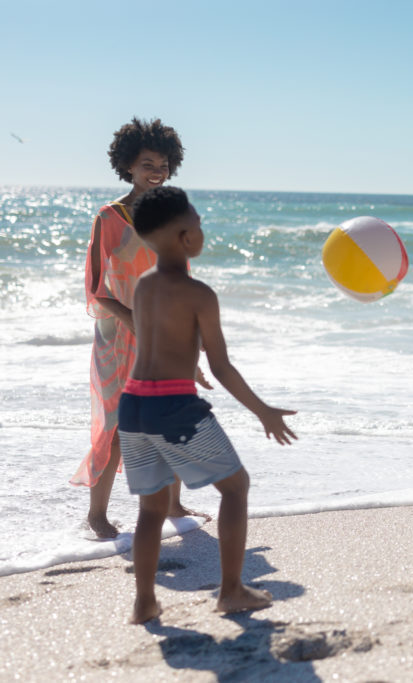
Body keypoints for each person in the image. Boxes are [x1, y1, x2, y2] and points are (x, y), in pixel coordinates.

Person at [120, 186, 296, 623]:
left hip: (133, 405)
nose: (202, 230)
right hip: (174, 409)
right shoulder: (200, 294)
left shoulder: (143, 286)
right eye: (198, 224)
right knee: (235, 487)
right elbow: (221, 366)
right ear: (184, 237)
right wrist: (263, 411)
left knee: (151, 509)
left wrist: (185, 367)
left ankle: (144, 602)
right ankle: (232, 590)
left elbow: (155, 345)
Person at [71, 118, 208, 538]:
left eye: (163, 164)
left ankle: (174, 504)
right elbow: (96, 290)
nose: (157, 171)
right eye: (148, 163)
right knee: (114, 429)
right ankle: (97, 515)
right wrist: (132, 321)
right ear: (128, 165)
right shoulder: (109, 218)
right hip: (118, 340)